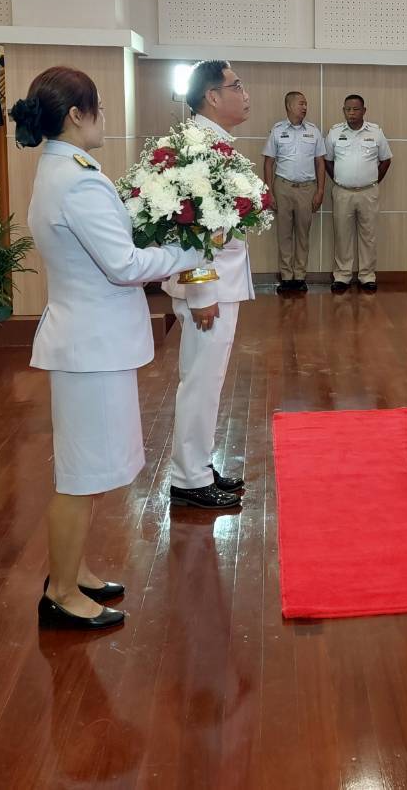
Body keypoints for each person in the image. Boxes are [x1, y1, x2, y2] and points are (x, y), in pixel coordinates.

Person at [10, 66, 207, 632]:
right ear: (77, 114)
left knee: (90, 469)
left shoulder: (63, 169)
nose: (104, 118)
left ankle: (75, 572)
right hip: (90, 345)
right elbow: (121, 266)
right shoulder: (79, 179)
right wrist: (187, 254)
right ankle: (61, 594)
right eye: (98, 106)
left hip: (89, 342)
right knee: (78, 475)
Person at [161, 60, 253, 511]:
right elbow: (190, 229)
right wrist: (201, 293)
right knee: (200, 381)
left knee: (205, 380)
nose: (245, 93)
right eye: (237, 86)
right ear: (213, 96)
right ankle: (189, 479)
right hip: (209, 288)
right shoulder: (200, 148)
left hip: (218, 283)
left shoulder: (210, 142)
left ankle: (197, 464)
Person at [261, 90, 326, 294]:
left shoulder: (314, 131)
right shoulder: (277, 130)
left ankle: (300, 276)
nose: (305, 107)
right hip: (283, 187)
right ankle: (286, 277)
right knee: (284, 234)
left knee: (303, 234)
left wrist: (320, 191)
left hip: (307, 188)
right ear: (289, 106)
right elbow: (269, 162)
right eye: (301, 103)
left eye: (306, 104)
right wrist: (269, 191)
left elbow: (320, 163)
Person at [325, 94, 391, 294]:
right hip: (343, 192)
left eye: (355, 109)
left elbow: (386, 159)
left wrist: (373, 180)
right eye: (347, 109)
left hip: (368, 192)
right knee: (342, 234)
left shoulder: (376, 132)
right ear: (343, 110)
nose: (351, 113)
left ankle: (367, 276)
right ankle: (342, 276)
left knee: (368, 236)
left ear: (364, 110)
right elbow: (326, 160)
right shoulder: (335, 133)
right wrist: (337, 178)